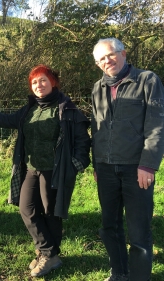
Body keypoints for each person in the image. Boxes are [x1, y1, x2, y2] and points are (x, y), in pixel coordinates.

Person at [0, 64, 91, 277]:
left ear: (53, 82)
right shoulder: (30, 108)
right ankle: (49, 252)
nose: (39, 85)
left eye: (43, 80)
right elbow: (9, 121)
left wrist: (75, 166)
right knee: (26, 209)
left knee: (50, 213)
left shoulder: (67, 109)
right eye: (34, 82)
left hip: (54, 170)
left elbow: (83, 141)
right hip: (30, 168)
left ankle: (47, 255)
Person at [91, 38, 164, 281]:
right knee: (109, 227)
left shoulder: (147, 80)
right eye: (100, 59)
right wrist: (97, 164)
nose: (106, 61)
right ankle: (119, 273)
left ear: (123, 53)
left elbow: (156, 125)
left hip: (136, 168)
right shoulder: (97, 88)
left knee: (139, 232)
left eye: (109, 55)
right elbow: (97, 128)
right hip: (106, 169)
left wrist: (148, 165)